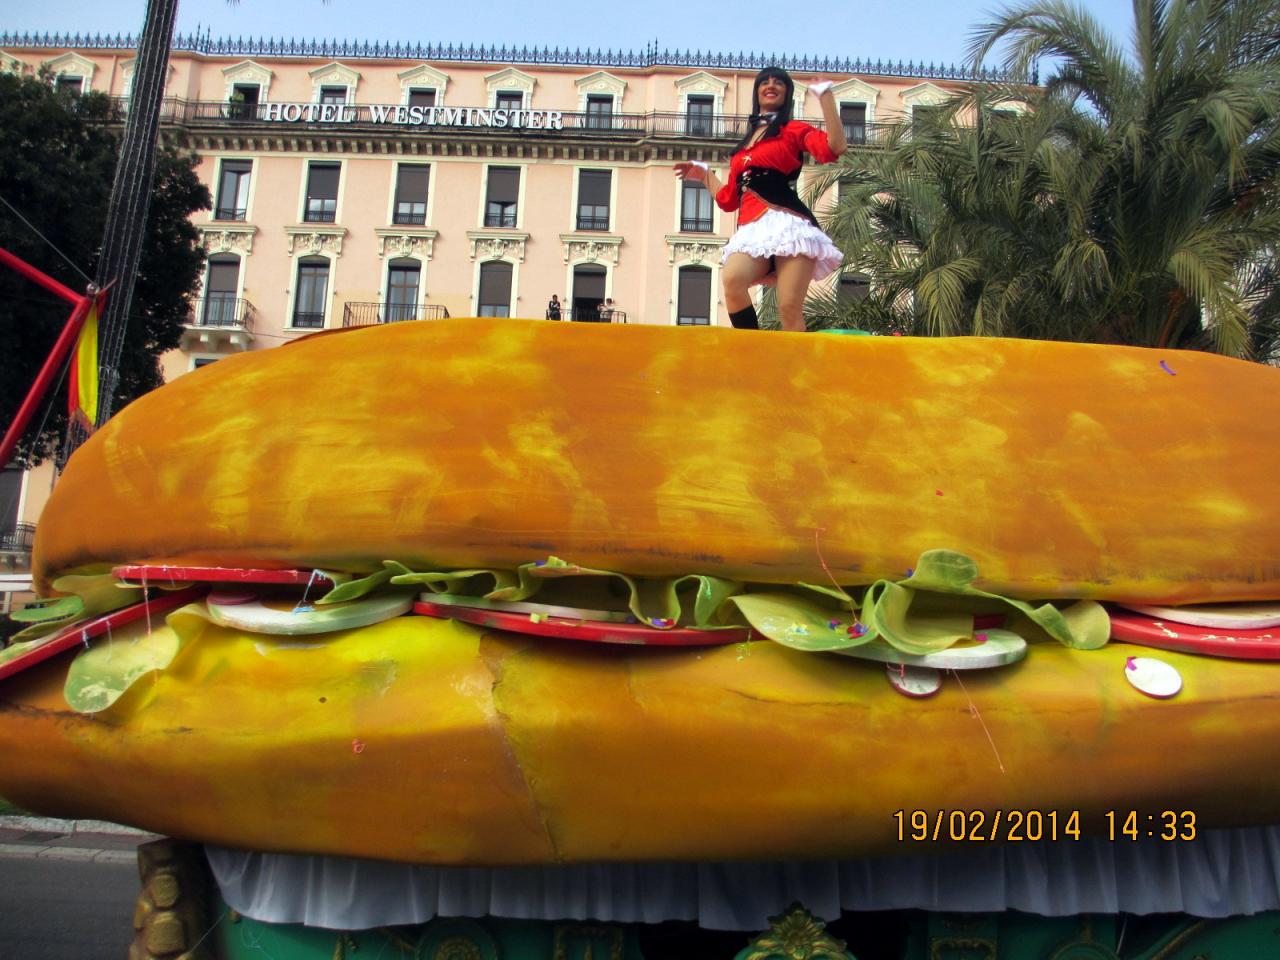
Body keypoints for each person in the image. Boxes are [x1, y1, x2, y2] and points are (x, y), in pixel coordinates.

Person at [673, 67, 846, 332]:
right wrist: (705, 174)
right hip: (753, 229)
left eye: (778, 82)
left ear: (787, 93)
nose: (771, 85)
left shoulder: (793, 130)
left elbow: (834, 148)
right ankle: (751, 352)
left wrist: (825, 97)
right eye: (764, 81)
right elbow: (728, 199)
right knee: (732, 280)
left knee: (788, 307)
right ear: (757, 92)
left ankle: (794, 371)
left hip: (790, 225)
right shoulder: (741, 150)